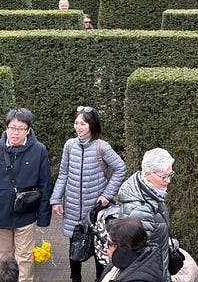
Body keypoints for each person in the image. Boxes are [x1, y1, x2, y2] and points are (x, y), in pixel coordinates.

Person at [0, 107, 53, 282]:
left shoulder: (39, 150)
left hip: (26, 215)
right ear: (6, 127)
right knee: (4, 259)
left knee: (25, 258)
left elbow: (45, 185)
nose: (15, 133)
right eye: (12, 128)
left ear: (28, 130)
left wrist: (43, 217)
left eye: (20, 128)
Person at [52, 106, 128, 282]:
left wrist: (107, 195)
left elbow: (120, 168)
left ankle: (100, 279)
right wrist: (56, 199)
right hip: (72, 208)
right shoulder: (69, 145)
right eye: (76, 123)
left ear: (92, 125)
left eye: (83, 124)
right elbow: (63, 174)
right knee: (74, 248)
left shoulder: (102, 147)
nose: (78, 127)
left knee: (98, 249)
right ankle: (75, 279)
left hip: (95, 210)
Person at [118, 148, 176, 280]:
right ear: (148, 174)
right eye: (164, 176)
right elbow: (137, 259)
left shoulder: (151, 193)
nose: (168, 180)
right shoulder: (140, 210)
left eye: (170, 174)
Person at [98, 217, 163, 282]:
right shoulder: (121, 260)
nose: (105, 246)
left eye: (109, 243)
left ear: (123, 248)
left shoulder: (141, 279)